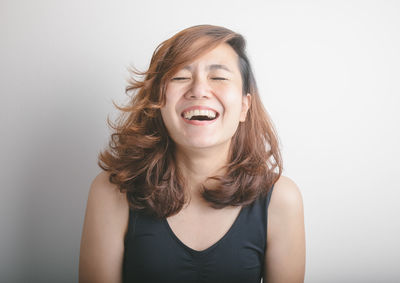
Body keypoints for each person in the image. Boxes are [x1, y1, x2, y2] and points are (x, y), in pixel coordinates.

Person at [79, 24, 305, 283]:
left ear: (244, 107)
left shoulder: (281, 199)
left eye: (218, 77)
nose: (198, 90)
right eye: (179, 77)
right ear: (158, 101)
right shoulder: (112, 191)